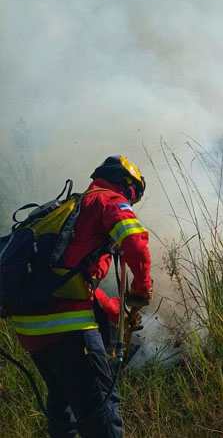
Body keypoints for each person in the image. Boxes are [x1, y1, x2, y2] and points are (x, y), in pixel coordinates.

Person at [10, 156, 153, 438]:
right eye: (134, 196)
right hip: (69, 329)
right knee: (99, 409)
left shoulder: (70, 209)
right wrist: (141, 289)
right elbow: (136, 243)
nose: (132, 202)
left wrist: (115, 310)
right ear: (128, 186)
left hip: (31, 331)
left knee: (63, 404)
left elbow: (69, 280)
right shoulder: (109, 199)